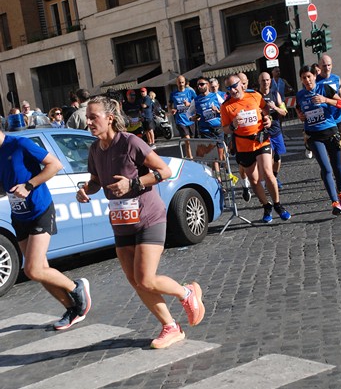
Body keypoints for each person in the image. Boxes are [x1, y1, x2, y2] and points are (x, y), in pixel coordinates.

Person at [76, 96, 204, 349]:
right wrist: (85, 190)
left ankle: (187, 293)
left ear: (109, 118)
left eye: (93, 117)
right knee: (135, 281)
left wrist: (133, 183)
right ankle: (171, 327)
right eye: (87, 117)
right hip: (121, 222)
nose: (88, 122)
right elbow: (95, 181)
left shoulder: (130, 142)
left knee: (145, 278)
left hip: (149, 217)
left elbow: (164, 171)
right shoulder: (94, 150)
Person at [0, 129, 91, 330]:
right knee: (41, 269)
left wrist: (29, 185)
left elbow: (55, 165)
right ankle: (72, 309)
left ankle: (77, 287)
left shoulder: (19, 144)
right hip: (19, 215)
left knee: (32, 269)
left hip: (40, 209)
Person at [220, 73, 291, 224]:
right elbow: (225, 128)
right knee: (253, 180)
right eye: (229, 88)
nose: (233, 90)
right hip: (243, 146)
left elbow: (265, 110)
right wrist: (232, 125)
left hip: (261, 140)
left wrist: (268, 120)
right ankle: (266, 206)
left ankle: (278, 205)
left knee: (267, 172)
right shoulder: (226, 106)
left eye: (234, 86)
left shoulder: (254, 96)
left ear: (241, 84)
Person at [296, 65, 341, 215]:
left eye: (309, 77)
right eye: (304, 78)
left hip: (331, 132)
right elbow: (299, 109)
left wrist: (325, 100)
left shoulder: (324, 88)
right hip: (314, 135)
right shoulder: (300, 95)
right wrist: (300, 116)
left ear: (314, 76)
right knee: (326, 168)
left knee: (337, 167)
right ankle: (334, 202)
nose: (307, 80)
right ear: (301, 80)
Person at [316, 54, 341, 188]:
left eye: (329, 65)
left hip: (338, 117)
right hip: (326, 120)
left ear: (332, 65)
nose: (327, 68)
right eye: (324, 65)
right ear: (319, 67)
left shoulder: (336, 78)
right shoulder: (316, 82)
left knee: (340, 144)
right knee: (330, 149)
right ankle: (328, 169)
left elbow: (340, 93)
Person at [187, 78, 224, 178]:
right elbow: (188, 113)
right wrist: (192, 118)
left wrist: (218, 110)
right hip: (205, 130)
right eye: (198, 85)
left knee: (221, 156)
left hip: (218, 128)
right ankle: (218, 180)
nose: (199, 87)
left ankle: (223, 171)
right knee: (214, 157)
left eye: (202, 84)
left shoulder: (215, 96)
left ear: (207, 85)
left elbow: (226, 108)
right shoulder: (196, 100)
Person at [258, 71, 287, 189]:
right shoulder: (257, 96)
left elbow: (284, 112)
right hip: (263, 132)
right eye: (263, 80)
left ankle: (274, 176)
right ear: (259, 82)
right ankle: (268, 180)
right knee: (267, 159)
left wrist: (274, 107)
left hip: (276, 130)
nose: (265, 82)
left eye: (267, 80)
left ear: (270, 81)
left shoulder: (275, 94)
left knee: (278, 159)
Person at [234, 72, 253, 202]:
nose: (243, 85)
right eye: (241, 83)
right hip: (239, 138)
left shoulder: (254, 95)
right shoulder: (230, 99)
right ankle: (245, 186)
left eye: (245, 83)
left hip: (255, 138)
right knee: (242, 165)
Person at [169, 75, 196, 159]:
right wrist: (171, 109)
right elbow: (169, 105)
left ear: (185, 83)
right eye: (179, 82)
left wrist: (189, 104)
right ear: (176, 83)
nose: (181, 84)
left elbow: (197, 102)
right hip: (180, 120)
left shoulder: (190, 92)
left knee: (191, 139)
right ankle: (190, 157)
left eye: (182, 82)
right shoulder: (173, 94)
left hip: (190, 119)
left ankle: (192, 155)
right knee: (187, 139)